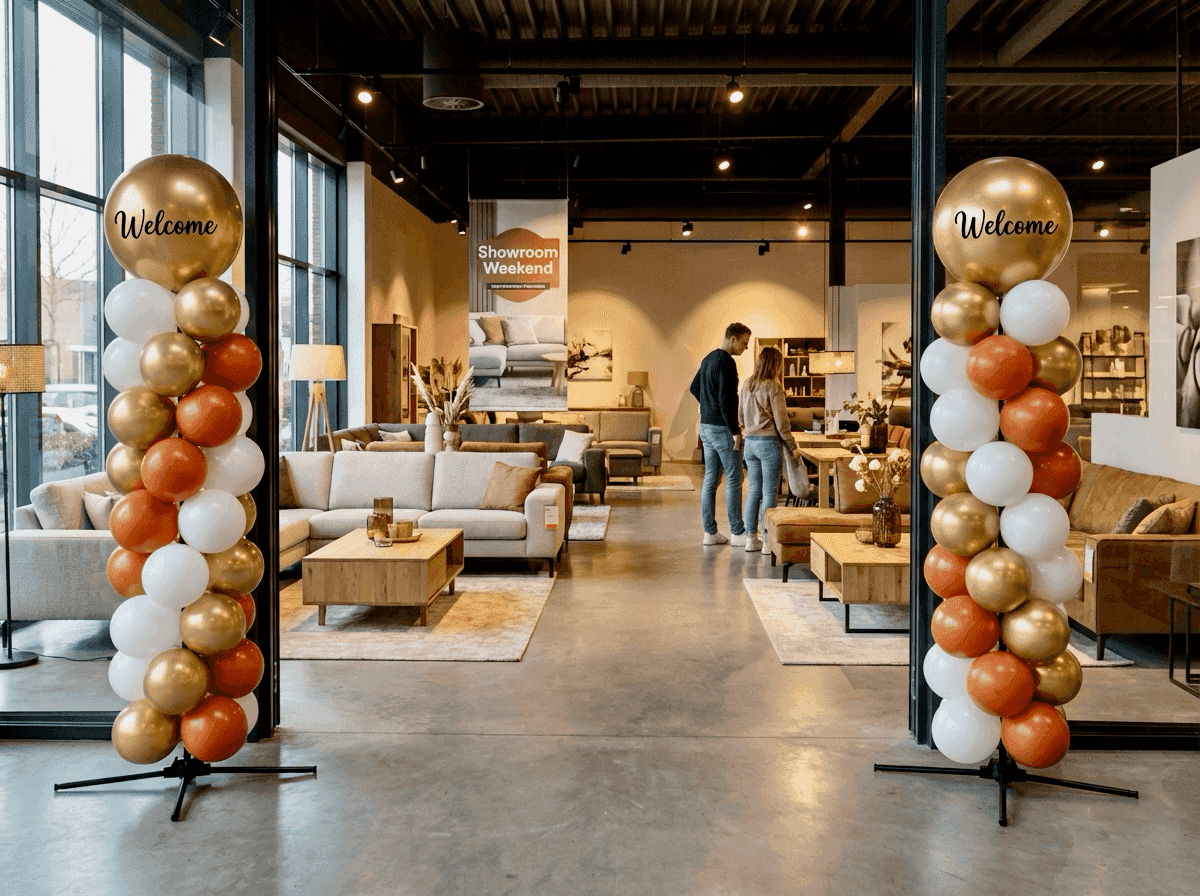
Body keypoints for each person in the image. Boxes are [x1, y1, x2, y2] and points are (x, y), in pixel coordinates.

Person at [690, 322, 751, 545]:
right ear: (732, 338)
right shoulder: (726, 362)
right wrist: (735, 429)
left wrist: (708, 407)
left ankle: (710, 533)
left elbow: (694, 387)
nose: (745, 348)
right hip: (722, 429)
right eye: (744, 343)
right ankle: (737, 532)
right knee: (735, 477)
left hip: (705, 427)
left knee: (711, 478)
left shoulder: (708, 359)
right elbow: (727, 399)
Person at [738, 346, 801, 553]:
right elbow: (782, 423)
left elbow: (739, 417)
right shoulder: (774, 386)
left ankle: (750, 538)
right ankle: (767, 541)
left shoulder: (747, 384)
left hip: (750, 444)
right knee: (769, 492)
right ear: (775, 364)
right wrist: (792, 445)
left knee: (753, 491)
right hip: (767, 444)